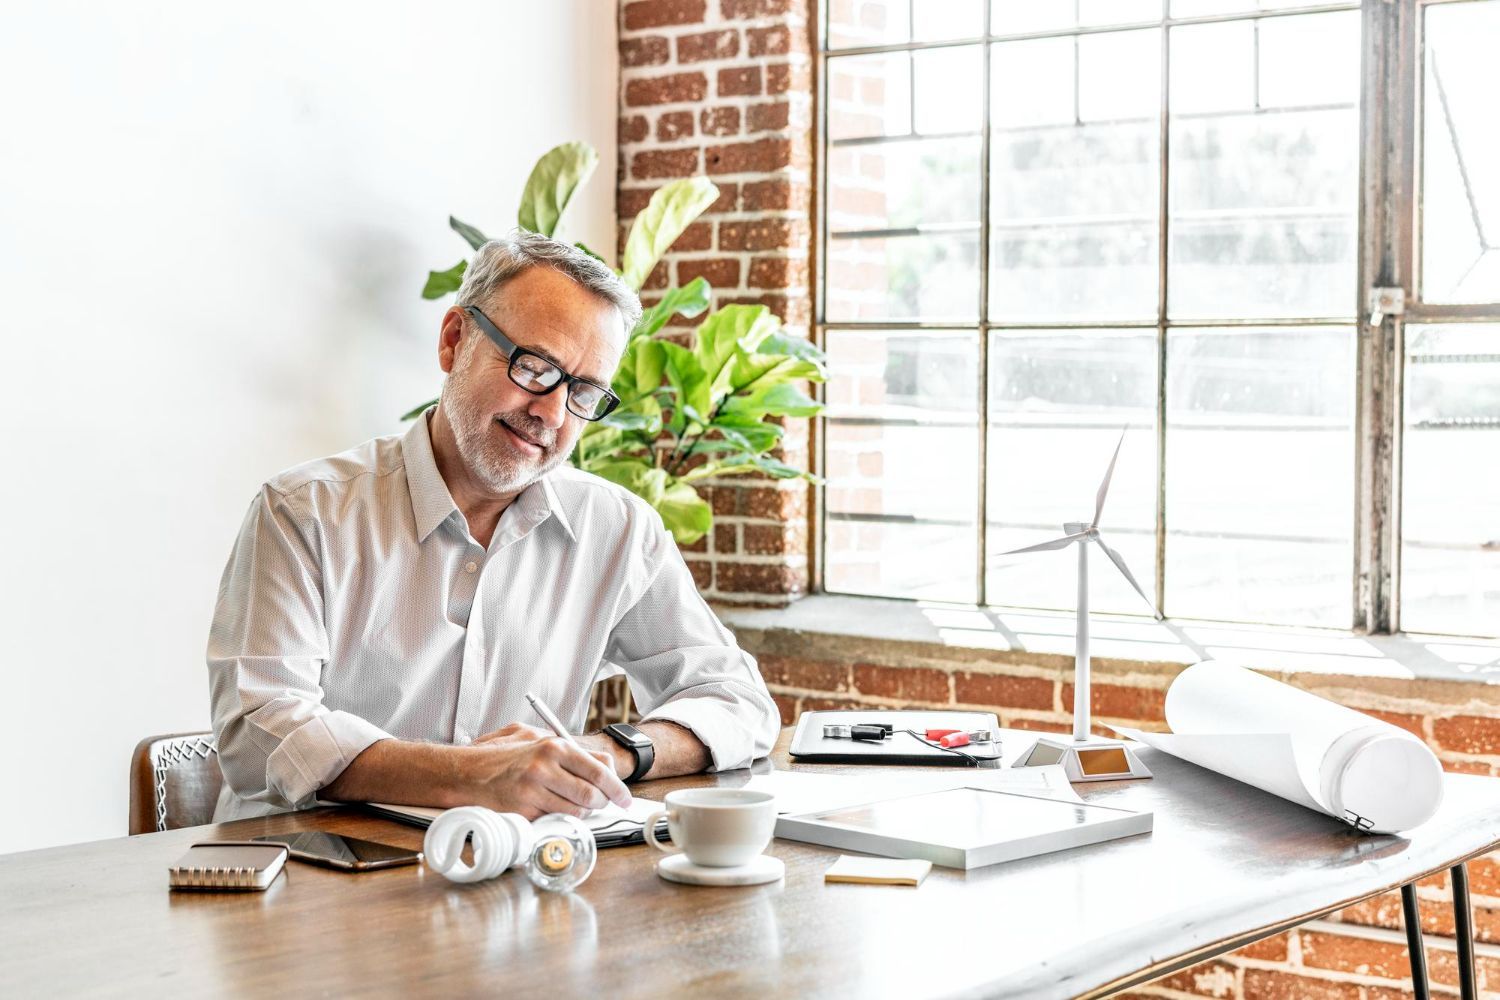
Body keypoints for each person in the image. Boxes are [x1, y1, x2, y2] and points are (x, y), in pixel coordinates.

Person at [207, 231, 780, 821]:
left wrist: (605, 753)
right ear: (455, 342)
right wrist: (473, 775)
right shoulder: (305, 511)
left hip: (514, 875)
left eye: (584, 390)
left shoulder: (617, 528)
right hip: (307, 880)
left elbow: (738, 702)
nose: (552, 413)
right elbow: (259, 734)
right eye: (535, 368)